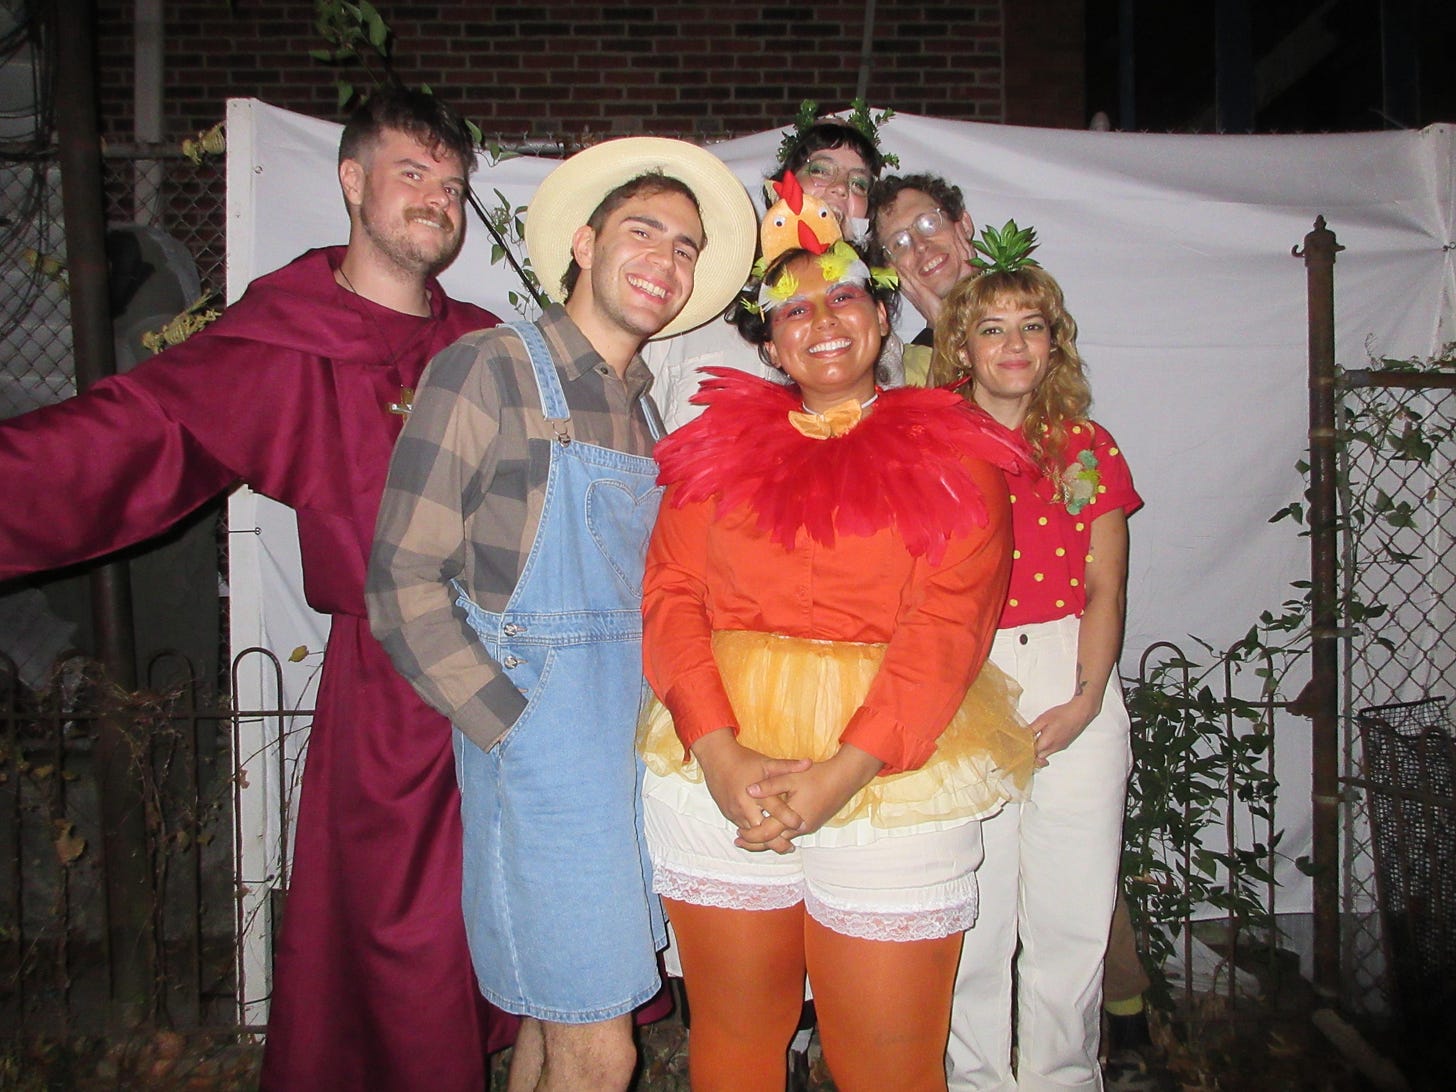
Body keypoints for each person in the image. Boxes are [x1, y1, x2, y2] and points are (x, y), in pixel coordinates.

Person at [0, 89, 510, 1090]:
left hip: (510, 678)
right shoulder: (285, 342)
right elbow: (131, 436)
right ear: (353, 183)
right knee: (401, 948)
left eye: (451, 186)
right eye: (412, 175)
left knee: (509, 929)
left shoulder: (486, 343)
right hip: (395, 697)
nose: (436, 200)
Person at [366, 137, 755, 1092]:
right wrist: (517, 729)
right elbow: (400, 583)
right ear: (583, 244)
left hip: (623, 753)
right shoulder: (489, 371)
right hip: (545, 763)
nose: (665, 261)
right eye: (643, 232)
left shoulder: (644, 417)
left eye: (686, 248)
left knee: (556, 1027)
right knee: (601, 1047)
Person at [636, 219, 1036, 1091]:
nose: (821, 320)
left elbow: (950, 623)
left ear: (883, 317)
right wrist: (717, 751)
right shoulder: (717, 446)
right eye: (793, 308)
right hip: (715, 764)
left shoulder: (954, 448)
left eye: (844, 295)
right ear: (771, 340)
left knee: (887, 1065)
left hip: (893, 773)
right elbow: (671, 593)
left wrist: (843, 773)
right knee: (735, 1046)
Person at [931, 251, 1143, 1092]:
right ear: (962, 348)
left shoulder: (1084, 447)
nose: (1013, 344)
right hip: (965, 674)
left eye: (1031, 326)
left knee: (1071, 918)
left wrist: (1086, 700)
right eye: (992, 328)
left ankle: (1061, 1079)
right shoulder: (931, 446)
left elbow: (1104, 583)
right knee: (973, 918)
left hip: (1071, 668)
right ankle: (976, 1080)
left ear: (1053, 345)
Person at [646, 103, 897, 430]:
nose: (840, 188)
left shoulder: (874, 337)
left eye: (859, 183)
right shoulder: (697, 302)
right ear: (782, 183)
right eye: (821, 169)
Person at [870, 171, 978, 385]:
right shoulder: (902, 370)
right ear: (891, 271)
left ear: (964, 224)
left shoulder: (1033, 311)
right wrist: (943, 327)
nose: (920, 245)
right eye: (899, 243)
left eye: (928, 224)